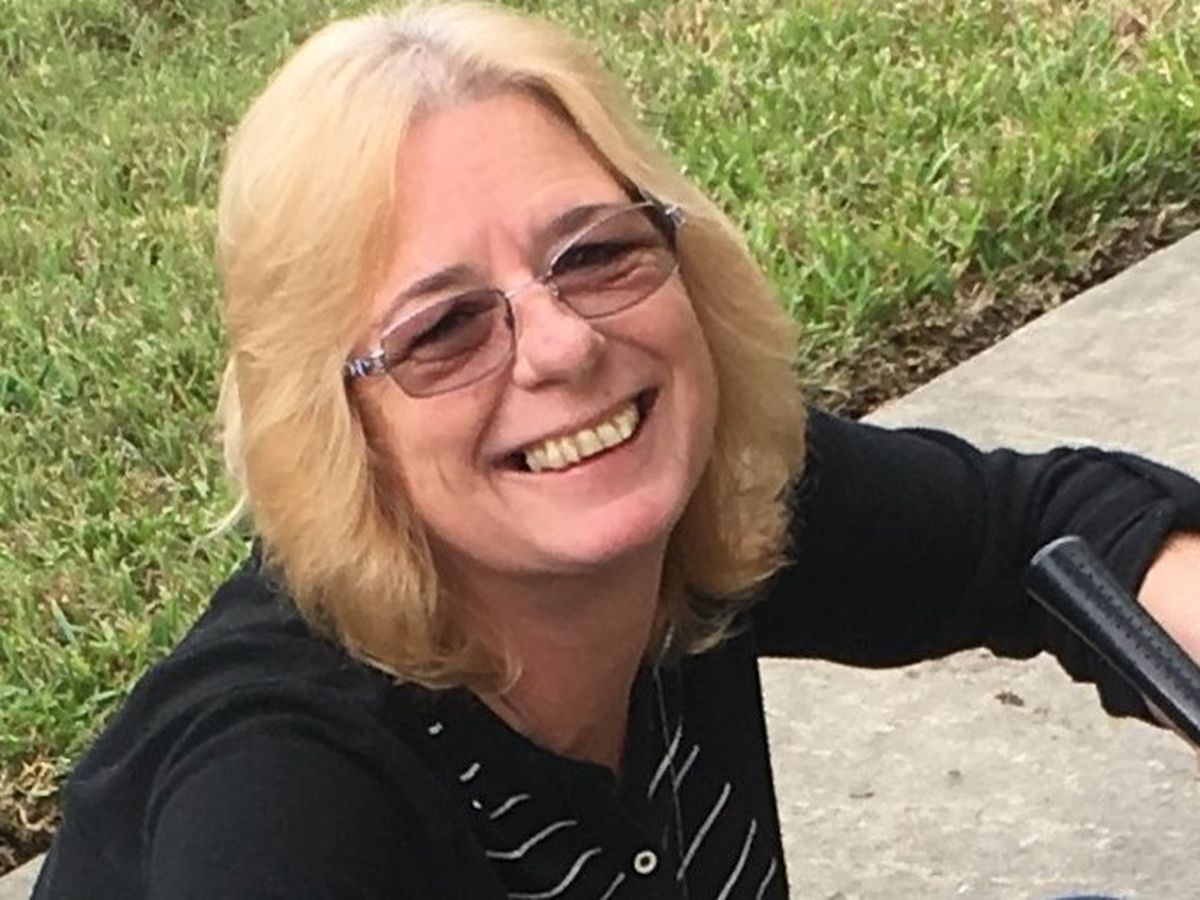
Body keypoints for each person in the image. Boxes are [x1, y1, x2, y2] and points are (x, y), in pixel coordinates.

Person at [32, 3, 1200, 898]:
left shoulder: (700, 501)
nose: (563, 345)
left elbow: (1038, 533)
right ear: (338, 422)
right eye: (443, 330)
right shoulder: (282, 803)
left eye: (594, 255)